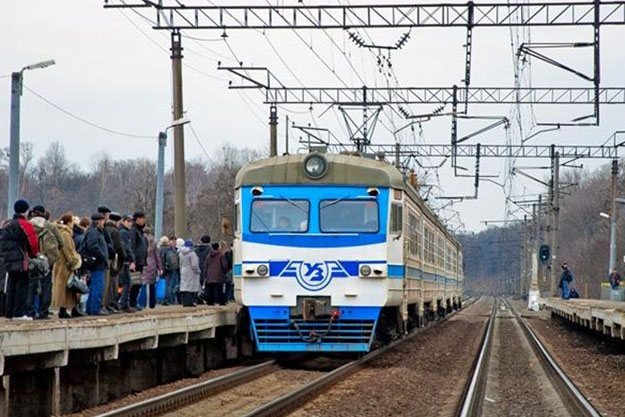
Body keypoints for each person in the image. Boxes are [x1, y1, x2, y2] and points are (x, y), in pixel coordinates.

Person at [0, 199, 39, 320]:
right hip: (21, 260)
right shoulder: (25, 224)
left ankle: (9, 313)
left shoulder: (7, 224)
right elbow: (32, 243)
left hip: (8, 260)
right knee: (22, 287)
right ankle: (19, 313)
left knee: (11, 286)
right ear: (26, 211)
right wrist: (33, 255)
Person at [27, 205, 62, 320]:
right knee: (46, 285)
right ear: (43, 213)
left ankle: (30, 311)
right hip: (47, 261)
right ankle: (43, 312)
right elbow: (60, 242)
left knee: (31, 285)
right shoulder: (50, 226)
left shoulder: (27, 225)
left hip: (31, 260)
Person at [52, 213, 83, 318]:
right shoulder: (65, 234)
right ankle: (63, 309)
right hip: (64, 265)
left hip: (63, 264)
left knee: (69, 287)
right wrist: (73, 261)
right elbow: (67, 249)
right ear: (69, 223)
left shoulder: (63, 232)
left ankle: (70, 308)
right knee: (65, 288)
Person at [83, 213, 109, 315]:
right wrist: (102, 257)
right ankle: (95, 309)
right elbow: (93, 247)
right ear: (98, 221)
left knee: (94, 286)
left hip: (97, 263)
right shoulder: (94, 232)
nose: (104, 223)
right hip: (97, 263)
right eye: (102, 221)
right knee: (98, 286)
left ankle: (90, 308)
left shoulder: (94, 231)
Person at [104, 212, 125, 313]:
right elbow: (118, 247)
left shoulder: (104, 229)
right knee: (113, 282)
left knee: (107, 283)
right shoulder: (115, 231)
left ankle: (106, 305)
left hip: (106, 258)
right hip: (114, 260)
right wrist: (124, 256)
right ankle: (110, 304)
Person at [129, 211, 148, 310]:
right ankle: (132, 302)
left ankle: (133, 302)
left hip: (140, 261)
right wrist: (132, 260)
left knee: (137, 283)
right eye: (143, 218)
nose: (144, 220)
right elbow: (132, 245)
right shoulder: (133, 230)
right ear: (138, 219)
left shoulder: (140, 231)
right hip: (136, 261)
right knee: (134, 283)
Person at [118, 215, 136, 313]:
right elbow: (126, 247)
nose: (130, 223)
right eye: (128, 221)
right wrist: (131, 259)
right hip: (124, 261)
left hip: (123, 261)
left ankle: (120, 302)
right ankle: (124, 304)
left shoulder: (123, 232)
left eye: (131, 222)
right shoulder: (124, 233)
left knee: (123, 282)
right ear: (124, 221)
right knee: (127, 282)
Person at [141, 233, 163, 309]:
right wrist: (160, 268)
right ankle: (152, 303)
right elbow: (157, 256)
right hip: (152, 265)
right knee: (152, 285)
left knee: (143, 284)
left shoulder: (142, 241)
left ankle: (142, 303)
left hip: (143, 263)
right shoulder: (153, 243)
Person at [179, 240, 201, 307]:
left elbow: (180, 263)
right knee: (190, 287)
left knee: (184, 286)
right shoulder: (192, 254)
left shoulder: (181, 253)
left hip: (183, 270)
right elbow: (194, 265)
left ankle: (184, 302)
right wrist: (197, 271)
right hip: (190, 271)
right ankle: (189, 302)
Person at [160, 236, 179, 305]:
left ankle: (160, 299)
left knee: (161, 284)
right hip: (169, 268)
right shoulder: (170, 249)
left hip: (161, 268)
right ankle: (166, 299)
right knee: (168, 284)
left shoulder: (159, 249)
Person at [195, 235, 211, 300]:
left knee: (199, 284)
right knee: (206, 284)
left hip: (198, 268)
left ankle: (198, 297)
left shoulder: (196, 249)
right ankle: (205, 297)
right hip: (207, 268)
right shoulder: (210, 249)